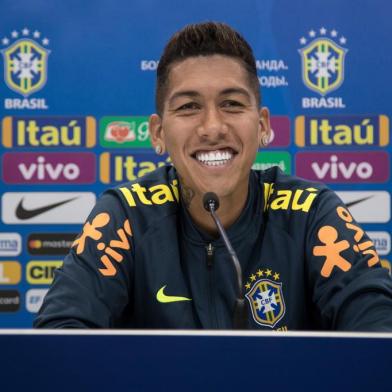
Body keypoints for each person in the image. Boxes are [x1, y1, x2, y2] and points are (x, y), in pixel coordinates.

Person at [35, 22, 392, 330]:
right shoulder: (126, 215)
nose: (212, 127)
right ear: (158, 134)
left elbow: (378, 329)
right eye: (189, 106)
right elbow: (59, 341)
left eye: (232, 104)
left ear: (263, 126)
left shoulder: (311, 214)